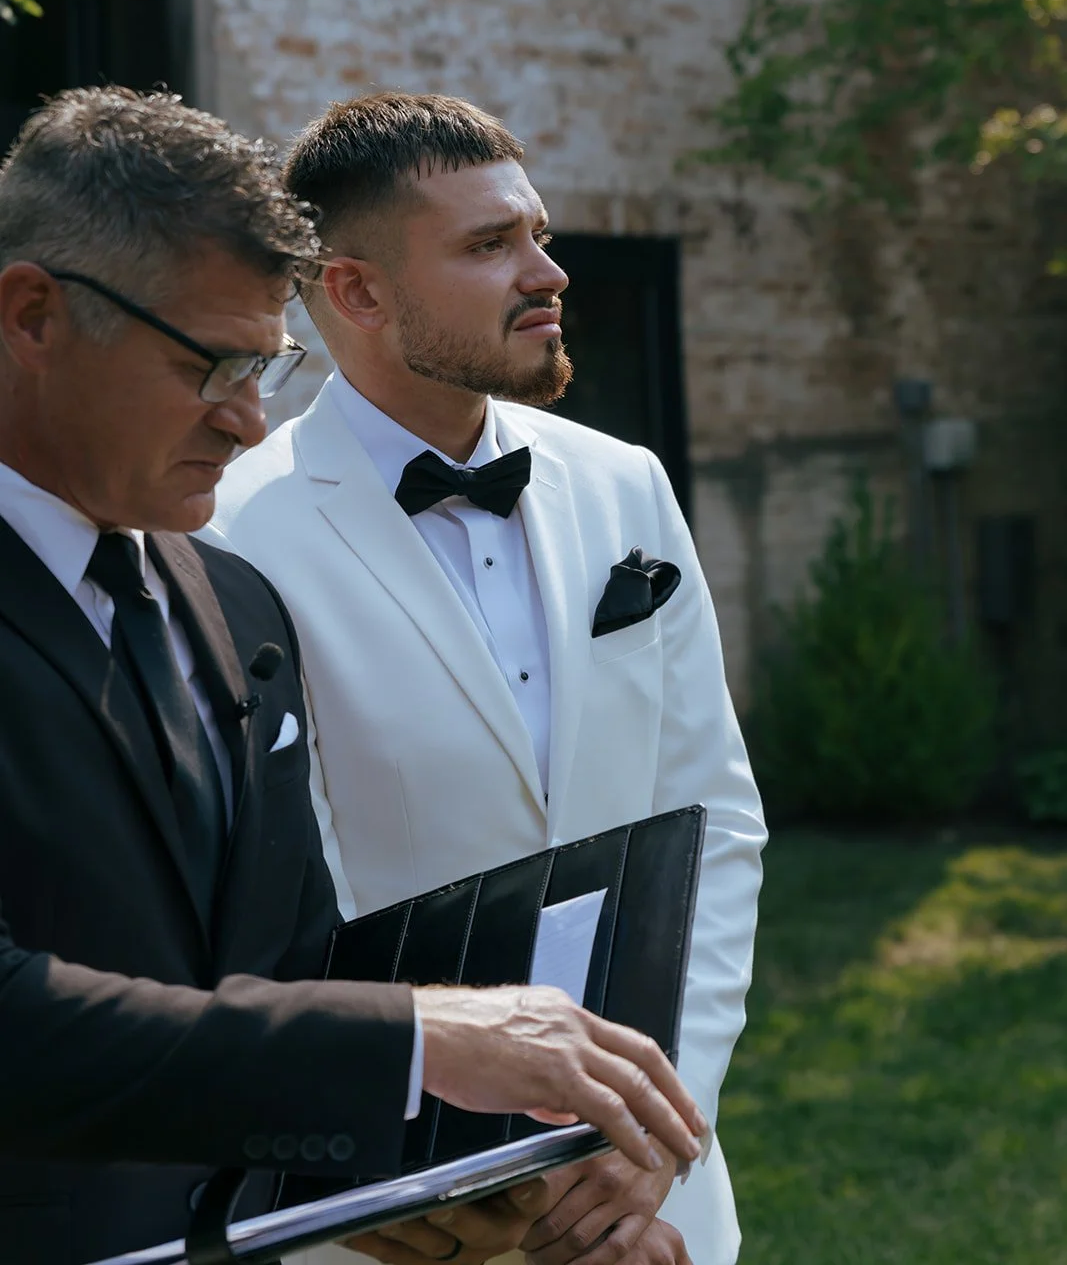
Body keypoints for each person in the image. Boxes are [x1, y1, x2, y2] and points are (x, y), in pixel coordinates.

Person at [0, 87, 708, 1265]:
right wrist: (417, 1045)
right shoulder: (255, 540)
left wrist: (445, 1190)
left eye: (265, 371)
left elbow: (269, 965)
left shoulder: (222, 601)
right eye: (212, 365)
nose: (241, 424)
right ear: (33, 316)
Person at [211, 92, 768, 1265]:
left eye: (539, 234)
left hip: (645, 1195)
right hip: (389, 1212)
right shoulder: (228, 538)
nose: (546, 271)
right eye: (488, 245)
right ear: (356, 292)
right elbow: (254, 912)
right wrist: (382, 1168)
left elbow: (712, 817)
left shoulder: (626, 486)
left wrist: (660, 1124)